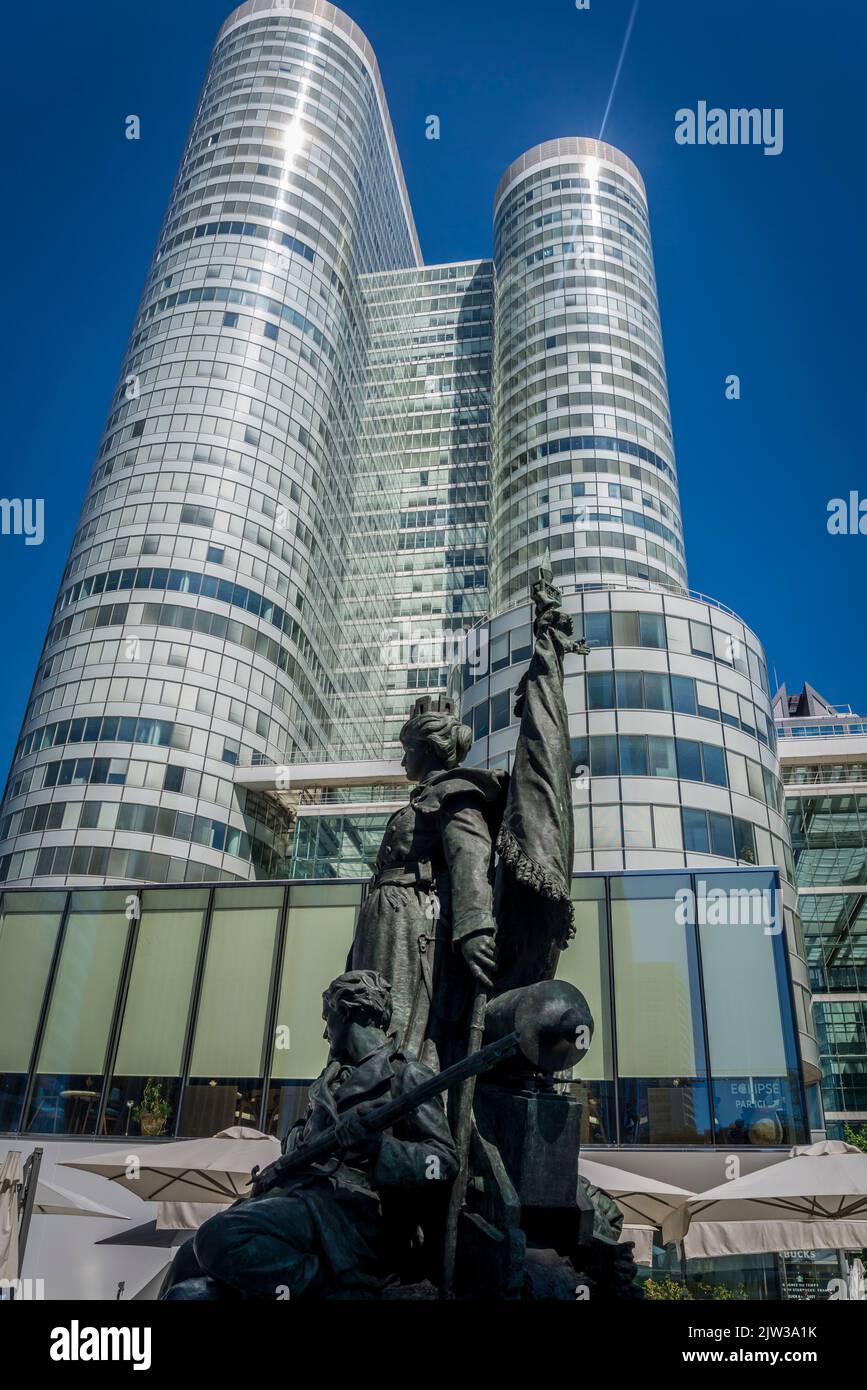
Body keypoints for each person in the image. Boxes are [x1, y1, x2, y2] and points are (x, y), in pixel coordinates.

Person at [160, 971, 457, 1301]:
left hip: (353, 1217)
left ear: (346, 1013)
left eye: (327, 1018)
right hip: (301, 1199)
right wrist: (299, 1139)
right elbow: (299, 1136)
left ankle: (336, 1290)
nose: (324, 1032)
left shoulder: (406, 1074)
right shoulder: (329, 1079)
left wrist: (378, 1148)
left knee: (217, 1237)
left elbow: (442, 1161)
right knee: (187, 1273)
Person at [348, 697, 508, 1070]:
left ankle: (395, 1092)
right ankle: (361, 1085)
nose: (404, 762)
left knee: (396, 1022)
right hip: (384, 922)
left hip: (412, 925)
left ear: (428, 749)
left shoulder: (454, 793)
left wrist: (473, 928)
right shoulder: (418, 800)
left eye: (408, 751)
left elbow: (471, 856)